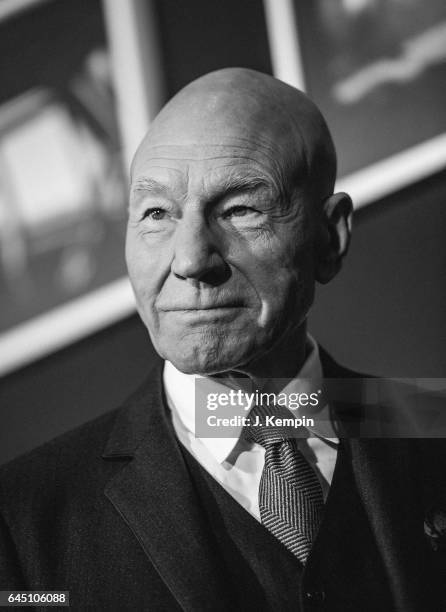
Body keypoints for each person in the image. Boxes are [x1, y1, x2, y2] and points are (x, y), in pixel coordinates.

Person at [0, 68, 445, 611]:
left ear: (329, 237)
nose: (190, 260)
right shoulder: (21, 522)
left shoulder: (433, 424)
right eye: (157, 214)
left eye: (239, 210)